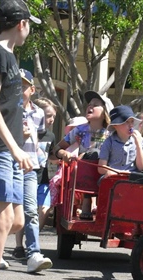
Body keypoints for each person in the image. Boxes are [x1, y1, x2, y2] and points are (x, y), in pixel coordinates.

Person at [0, 0, 40, 280]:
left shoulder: (9, 57)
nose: (30, 29)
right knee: (5, 220)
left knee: (17, 221)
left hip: (12, 150)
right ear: (21, 24)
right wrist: (14, 147)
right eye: (30, 23)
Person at [10, 69, 53, 273]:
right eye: (15, 85)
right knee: (5, 210)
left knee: (30, 210)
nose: (19, 89)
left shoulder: (39, 113)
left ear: (32, 89)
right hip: (9, 163)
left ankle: (34, 254)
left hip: (30, 166)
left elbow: (41, 135)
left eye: (24, 86)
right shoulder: (8, 108)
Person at [52, 91, 112, 220]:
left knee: (99, 156)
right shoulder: (80, 130)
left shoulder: (111, 133)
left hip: (105, 169)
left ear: (105, 111)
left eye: (95, 105)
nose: (90, 106)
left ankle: (102, 206)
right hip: (84, 169)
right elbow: (57, 148)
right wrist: (63, 153)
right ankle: (87, 201)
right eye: (89, 104)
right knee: (90, 155)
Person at [98, 105, 143, 177]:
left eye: (132, 121)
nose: (130, 125)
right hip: (113, 177)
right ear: (115, 126)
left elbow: (141, 167)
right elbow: (101, 168)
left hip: (131, 177)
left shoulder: (139, 140)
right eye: (126, 122)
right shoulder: (109, 142)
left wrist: (138, 145)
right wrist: (116, 172)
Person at [35, 97, 58, 231]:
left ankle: (33, 239)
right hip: (26, 177)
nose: (52, 119)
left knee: (45, 209)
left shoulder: (51, 136)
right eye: (48, 115)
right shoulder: (24, 131)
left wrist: (63, 158)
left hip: (43, 179)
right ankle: (19, 245)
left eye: (54, 116)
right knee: (25, 212)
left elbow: (51, 156)